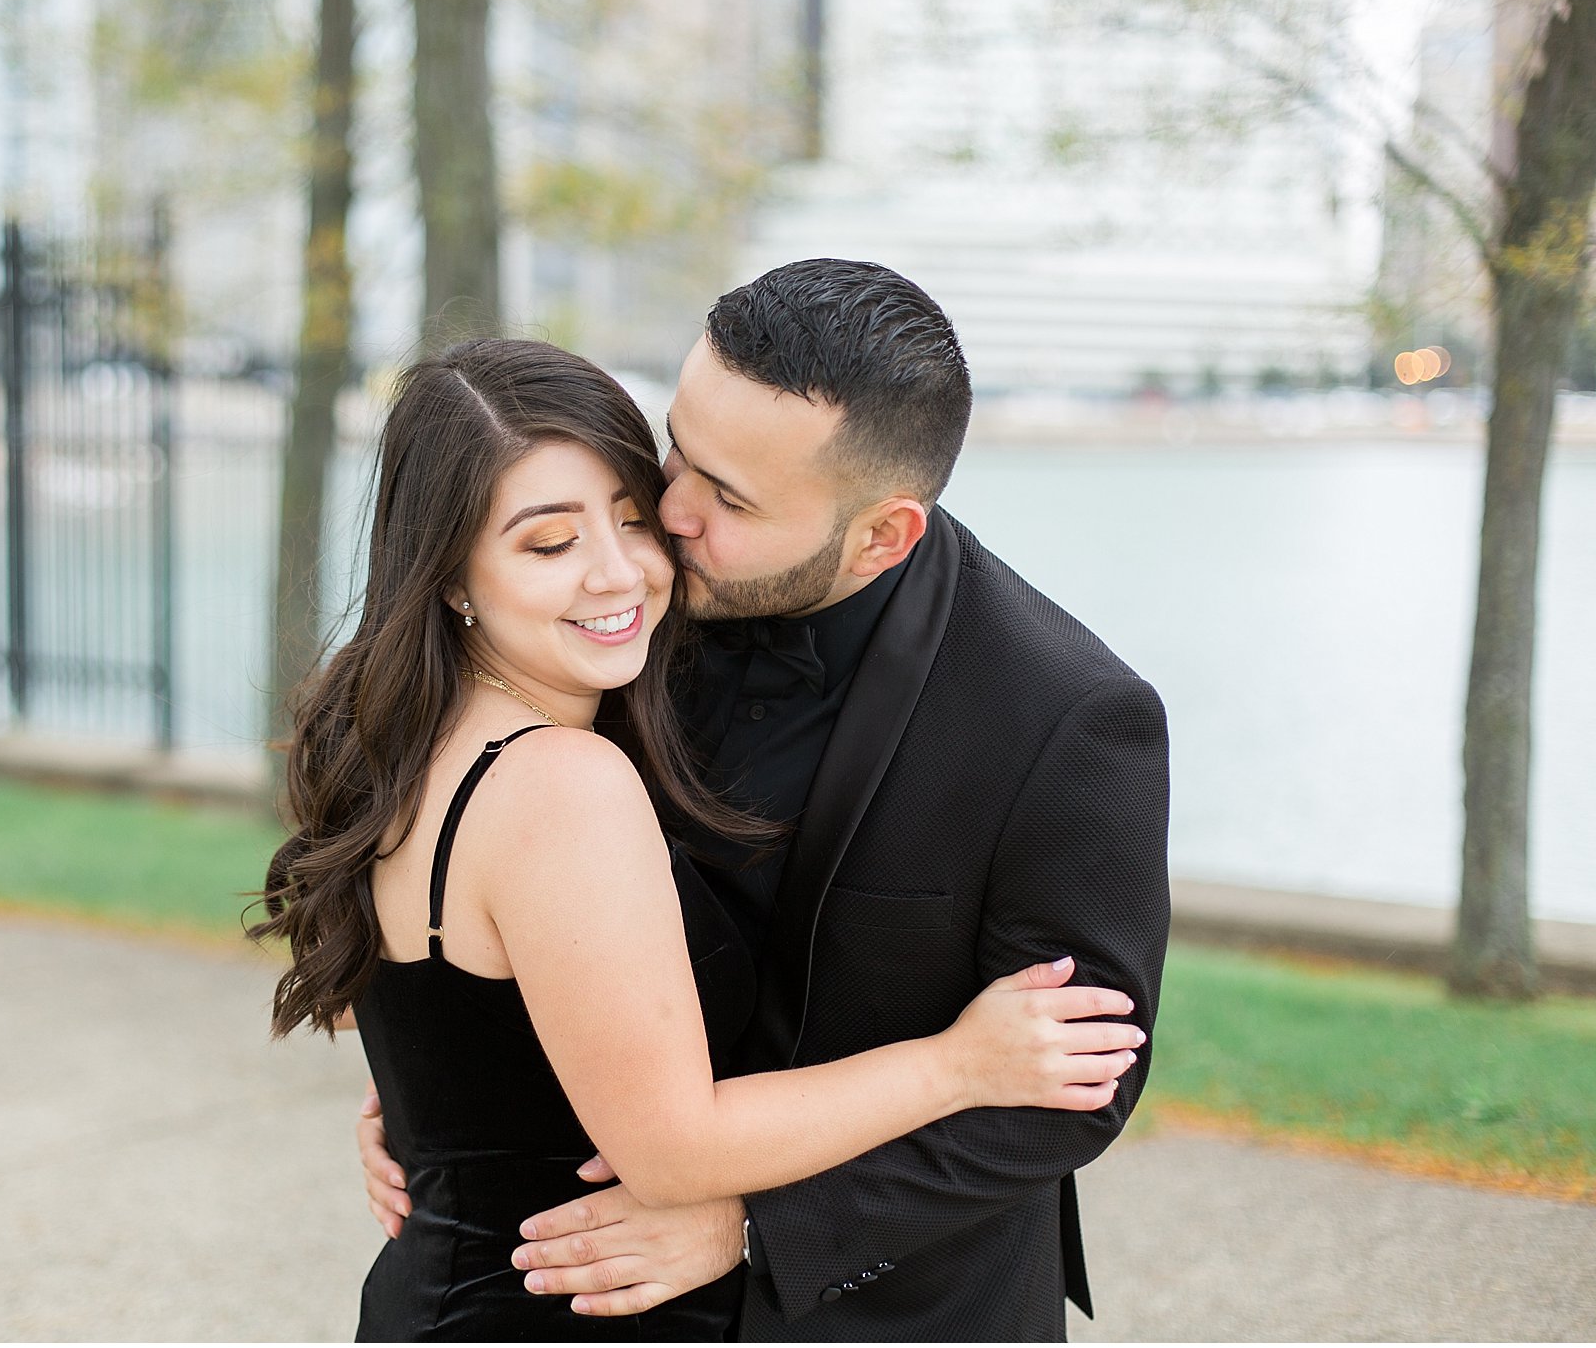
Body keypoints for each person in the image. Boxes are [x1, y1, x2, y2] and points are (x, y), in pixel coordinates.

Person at [255, 336, 1146, 1341]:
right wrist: (958, 1062)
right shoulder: (577, 742)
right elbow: (665, 1137)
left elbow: (1079, 1071)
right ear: (448, 571)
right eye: (549, 543)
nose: (648, 547)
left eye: (635, 513)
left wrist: (462, 1115)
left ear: (879, 532)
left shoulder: (1061, 709)